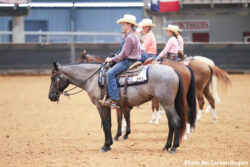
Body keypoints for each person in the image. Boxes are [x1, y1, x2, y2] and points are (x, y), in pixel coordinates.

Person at [100, 14, 141, 109]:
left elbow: (123, 55)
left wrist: (112, 59)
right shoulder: (133, 35)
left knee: (110, 74)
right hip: (132, 60)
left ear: (129, 25)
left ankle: (114, 99)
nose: (122, 25)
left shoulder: (129, 37)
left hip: (127, 61)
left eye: (123, 23)